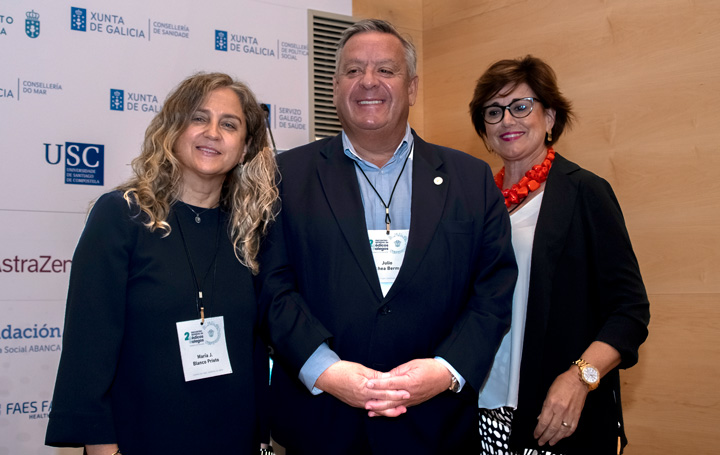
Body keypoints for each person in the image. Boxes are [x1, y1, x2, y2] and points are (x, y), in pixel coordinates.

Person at [258, 19, 517, 454]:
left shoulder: (470, 179)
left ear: (412, 87)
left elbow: (493, 290)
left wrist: (445, 369)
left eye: (386, 70)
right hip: (321, 425)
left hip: (437, 426)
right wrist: (325, 370)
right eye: (354, 70)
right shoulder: (286, 175)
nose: (368, 82)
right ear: (335, 84)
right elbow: (271, 285)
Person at [45, 72, 278, 454]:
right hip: (143, 438)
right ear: (173, 129)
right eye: (199, 118)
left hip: (233, 438)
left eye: (230, 124)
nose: (213, 132)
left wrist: (261, 438)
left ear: (246, 146)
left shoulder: (249, 229)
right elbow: (88, 352)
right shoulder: (121, 216)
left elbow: (255, 352)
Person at [469, 55, 651, 455]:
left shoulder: (584, 192)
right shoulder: (476, 202)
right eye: (493, 111)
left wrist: (579, 378)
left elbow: (629, 312)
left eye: (521, 106)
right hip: (478, 412)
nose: (507, 120)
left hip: (555, 416)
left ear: (550, 117)